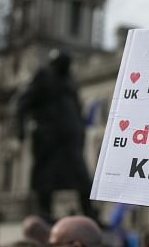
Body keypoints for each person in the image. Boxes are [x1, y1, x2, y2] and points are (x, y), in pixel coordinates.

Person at [14, 49, 97, 222]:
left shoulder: (70, 82)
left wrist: (79, 130)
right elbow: (22, 103)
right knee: (46, 177)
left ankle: (90, 213)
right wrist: (19, 130)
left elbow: (77, 108)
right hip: (49, 139)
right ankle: (44, 213)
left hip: (70, 140)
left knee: (82, 177)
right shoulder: (43, 77)